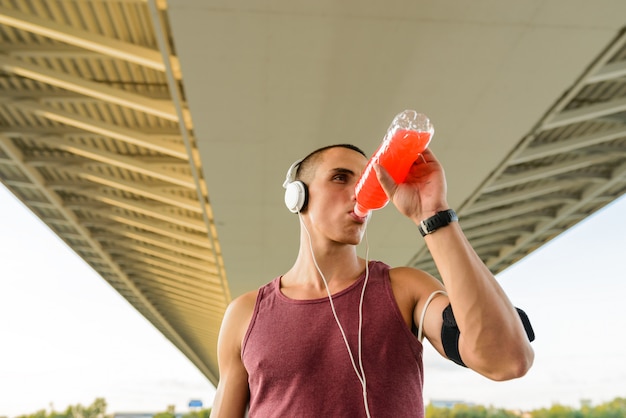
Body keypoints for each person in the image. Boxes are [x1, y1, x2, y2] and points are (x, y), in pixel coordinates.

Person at [210, 144, 535, 417]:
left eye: (367, 182)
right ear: (297, 197)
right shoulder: (244, 314)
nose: (361, 192)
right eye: (340, 178)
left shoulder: (405, 289)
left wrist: (433, 214)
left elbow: (507, 361)